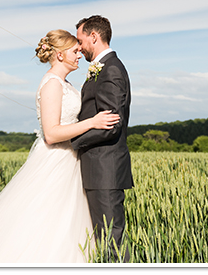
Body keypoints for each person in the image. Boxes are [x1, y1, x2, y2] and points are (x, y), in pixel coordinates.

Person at [0, 29, 120, 263]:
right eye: (75, 51)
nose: (79, 55)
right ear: (59, 55)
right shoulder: (52, 84)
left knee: (70, 222)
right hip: (55, 159)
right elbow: (51, 133)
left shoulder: (66, 84)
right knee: (46, 220)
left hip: (71, 160)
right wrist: (92, 122)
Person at [71, 15, 134, 257]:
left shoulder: (111, 70)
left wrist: (73, 142)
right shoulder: (103, 68)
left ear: (94, 37)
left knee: (112, 241)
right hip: (97, 170)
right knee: (101, 239)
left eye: (80, 39)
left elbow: (111, 125)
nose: (78, 46)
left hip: (105, 171)